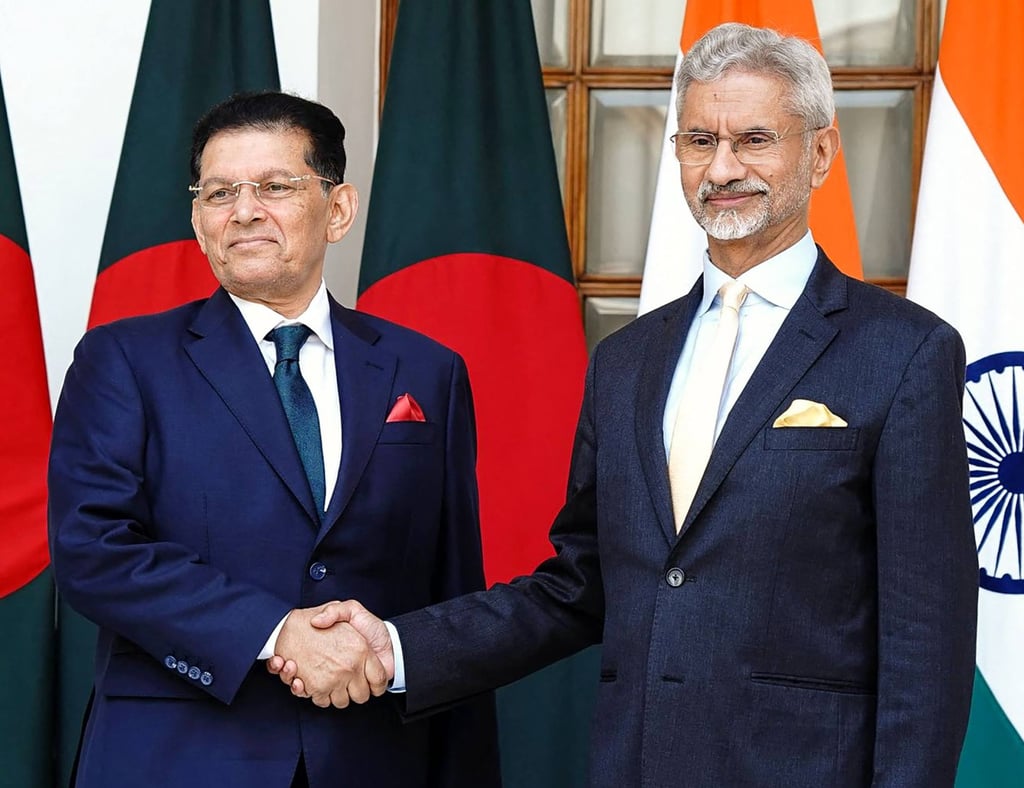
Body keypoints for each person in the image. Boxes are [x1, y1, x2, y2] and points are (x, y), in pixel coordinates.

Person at [273, 23, 979, 787]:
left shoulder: (904, 352)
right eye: (700, 140)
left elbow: (926, 634)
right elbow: (581, 585)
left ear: (819, 153)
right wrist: (396, 648)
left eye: (754, 140)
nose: (723, 168)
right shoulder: (626, 361)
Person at [47, 91, 500, 788]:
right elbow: (93, 551)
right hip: (176, 759)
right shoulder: (123, 360)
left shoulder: (426, 371)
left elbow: (451, 587)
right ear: (199, 223)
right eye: (219, 192)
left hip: (375, 757)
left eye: (275, 187)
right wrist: (274, 631)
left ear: (338, 209)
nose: (245, 211)